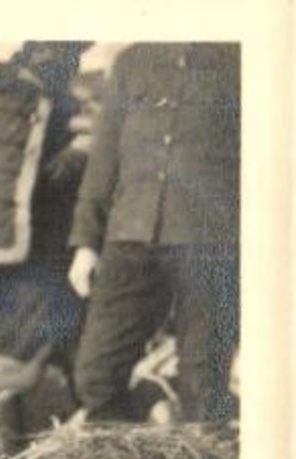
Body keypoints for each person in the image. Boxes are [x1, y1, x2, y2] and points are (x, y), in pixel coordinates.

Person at [66, 43, 240, 424]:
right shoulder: (132, 61)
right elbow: (104, 159)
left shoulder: (238, 59)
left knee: (204, 383)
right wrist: (86, 244)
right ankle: (126, 458)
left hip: (211, 242)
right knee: (95, 375)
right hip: (129, 235)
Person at [0, 41, 95, 455]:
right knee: (12, 363)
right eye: (68, 55)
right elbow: (33, 188)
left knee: (14, 357)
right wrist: (80, 157)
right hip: (31, 260)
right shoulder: (33, 105)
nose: (74, 64)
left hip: (1, 253)